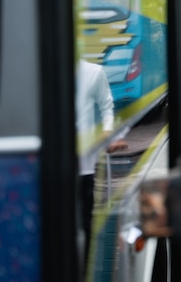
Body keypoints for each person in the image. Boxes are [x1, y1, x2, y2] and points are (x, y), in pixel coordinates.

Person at [75, 59, 127, 266]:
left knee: (86, 221)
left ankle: (85, 268)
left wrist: (107, 132)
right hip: (57, 162)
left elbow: (106, 105)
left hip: (85, 165)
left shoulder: (93, 72)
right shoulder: (47, 68)